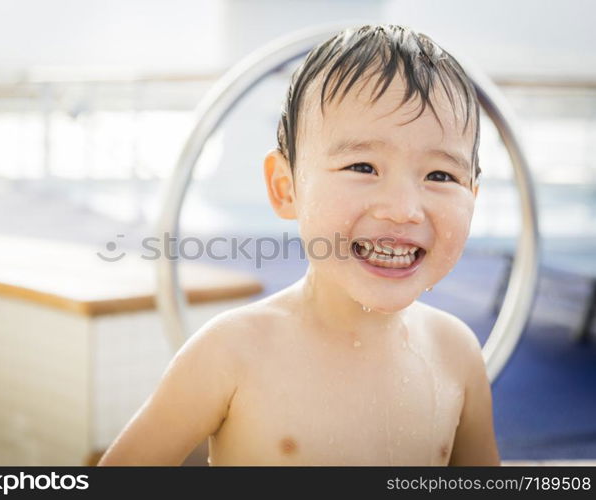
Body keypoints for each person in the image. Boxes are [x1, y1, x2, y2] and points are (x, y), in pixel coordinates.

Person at [98, 24, 500, 466]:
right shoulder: (232, 353)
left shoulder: (457, 354)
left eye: (440, 176)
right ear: (285, 188)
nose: (404, 209)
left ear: (474, 198)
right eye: (363, 166)